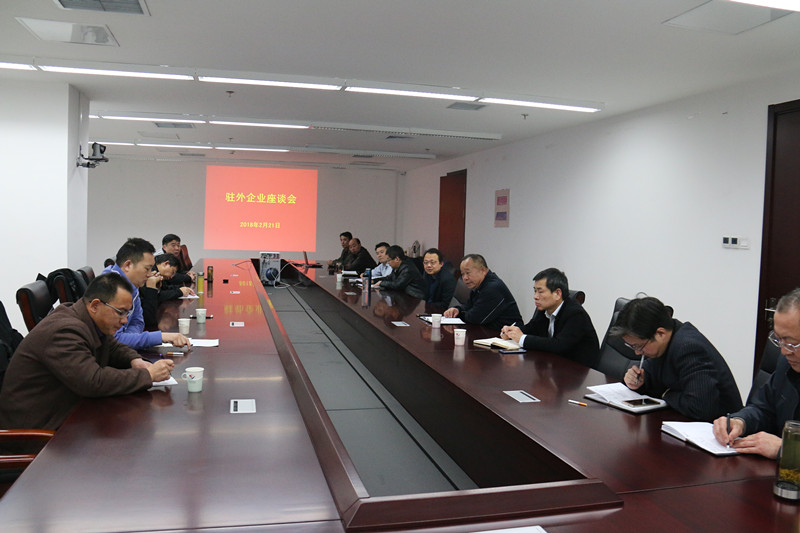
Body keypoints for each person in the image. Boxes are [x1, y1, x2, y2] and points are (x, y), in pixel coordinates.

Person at [0, 272, 174, 432]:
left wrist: (134, 360)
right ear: (95, 305)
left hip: (66, 413)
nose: (124, 320)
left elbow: (112, 346)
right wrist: (148, 375)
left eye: (127, 313)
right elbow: (93, 381)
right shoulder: (64, 331)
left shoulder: (84, 317)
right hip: (36, 432)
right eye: (120, 312)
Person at [611, 296, 741, 422]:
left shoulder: (689, 347)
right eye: (632, 346)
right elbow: (651, 377)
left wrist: (665, 394)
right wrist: (637, 382)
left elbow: (700, 407)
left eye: (639, 346)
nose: (637, 352)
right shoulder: (663, 343)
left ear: (660, 333)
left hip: (719, 429)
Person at [713, 288, 800, 459]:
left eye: (792, 344)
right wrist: (741, 421)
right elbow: (764, 409)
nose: (784, 351)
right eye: (779, 340)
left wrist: (783, 449)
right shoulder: (786, 364)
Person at [500, 268, 599, 368]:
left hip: (579, 371)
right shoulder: (544, 309)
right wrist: (512, 332)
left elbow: (559, 345)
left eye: (540, 292)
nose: (535, 296)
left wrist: (522, 338)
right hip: (555, 366)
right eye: (535, 291)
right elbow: (532, 328)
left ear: (557, 294)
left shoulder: (576, 314)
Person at [103, 238, 190, 349]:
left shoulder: (132, 285)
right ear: (128, 265)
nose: (150, 274)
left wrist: (130, 337)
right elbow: (115, 340)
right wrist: (160, 337)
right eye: (147, 269)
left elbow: (138, 322)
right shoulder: (110, 287)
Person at [443, 254, 522, 331]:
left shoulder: (492, 288)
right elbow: (469, 306)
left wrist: (459, 314)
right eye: (462, 274)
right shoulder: (479, 285)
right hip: (489, 332)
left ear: (483, 270)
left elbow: (474, 318)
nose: (465, 278)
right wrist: (457, 310)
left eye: (468, 273)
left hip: (507, 335)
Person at [140, 254, 196, 329]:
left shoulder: (158, 274)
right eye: (172, 272)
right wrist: (179, 292)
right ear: (166, 264)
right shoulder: (151, 274)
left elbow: (164, 288)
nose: (172, 276)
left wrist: (180, 288)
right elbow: (157, 296)